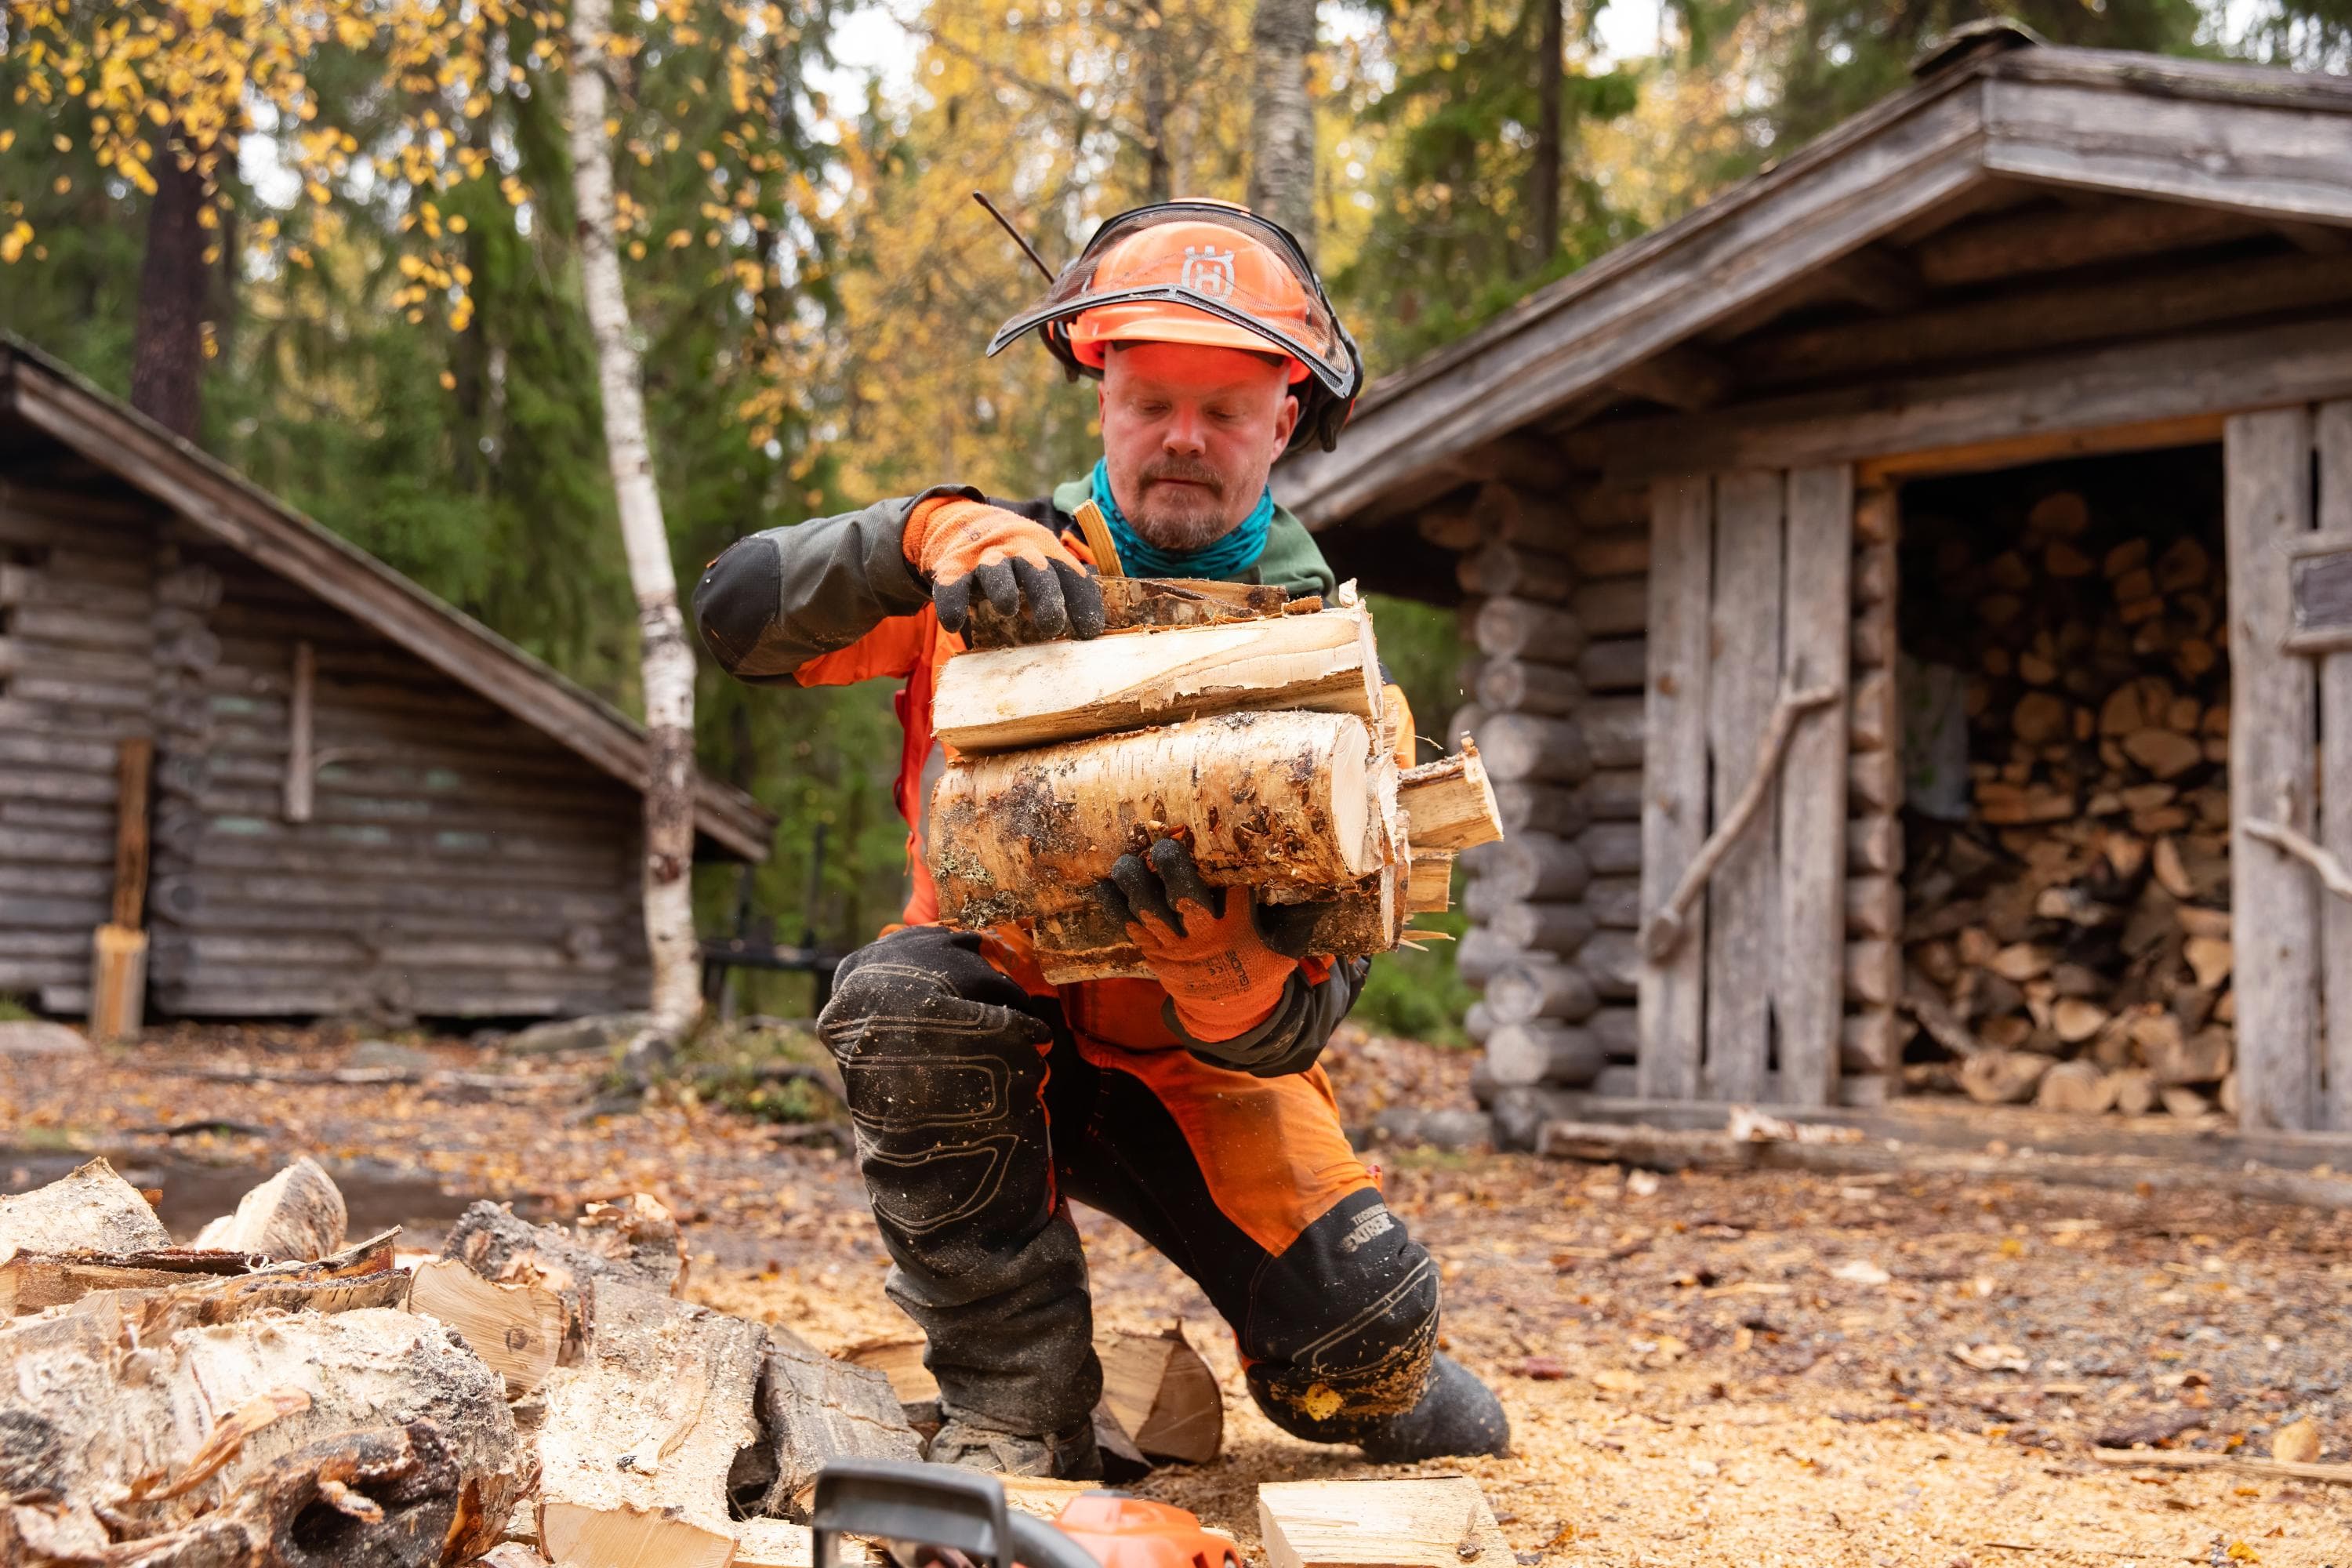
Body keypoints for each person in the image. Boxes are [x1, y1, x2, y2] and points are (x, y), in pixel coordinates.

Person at [695, 201, 1508, 1479]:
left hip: (1187, 1069)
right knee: (902, 995)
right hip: (976, 1023)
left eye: (1224, 410)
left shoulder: (1333, 677)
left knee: (1363, 1345)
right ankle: (1018, 1408)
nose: (1183, 437)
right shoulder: (987, 569)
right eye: (1150, 402)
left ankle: (1373, 1355)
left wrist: (1228, 981)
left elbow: (1310, 1012)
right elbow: (737, 618)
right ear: (1103, 398)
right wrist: (922, 533)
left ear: (1282, 420)